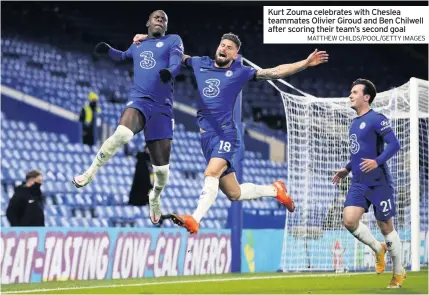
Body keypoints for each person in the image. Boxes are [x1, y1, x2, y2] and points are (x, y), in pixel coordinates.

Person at [133, 33, 329, 234]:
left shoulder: (240, 72)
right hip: (206, 139)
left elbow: (275, 72)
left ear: (235, 55)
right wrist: (148, 40)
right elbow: (173, 52)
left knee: (211, 173)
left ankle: (195, 218)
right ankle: (275, 191)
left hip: (225, 134)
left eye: (229, 48)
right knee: (234, 193)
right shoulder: (200, 63)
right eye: (222, 45)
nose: (224, 49)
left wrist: (305, 63)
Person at [72, 10, 184, 225]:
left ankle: (155, 197)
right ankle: (90, 172)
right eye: (156, 18)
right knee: (122, 133)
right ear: (148, 23)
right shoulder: (138, 45)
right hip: (140, 100)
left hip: (162, 108)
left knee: (162, 170)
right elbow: (122, 56)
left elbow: (176, 61)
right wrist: (108, 50)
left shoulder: (173, 40)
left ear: (166, 26)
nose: (159, 20)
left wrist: (169, 71)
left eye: (164, 19)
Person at [332, 79, 406, 288]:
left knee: (385, 226)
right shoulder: (354, 123)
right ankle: (378, 248)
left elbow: (394, 144)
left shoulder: (376, 119)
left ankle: (398, 274)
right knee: (349, 221)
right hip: (359, 182)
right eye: (350, 91)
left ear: (367, 97)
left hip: (379, 182)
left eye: (354, 92)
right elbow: (359, 151)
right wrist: (347, 168)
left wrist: (377, 161)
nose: (350, 95)